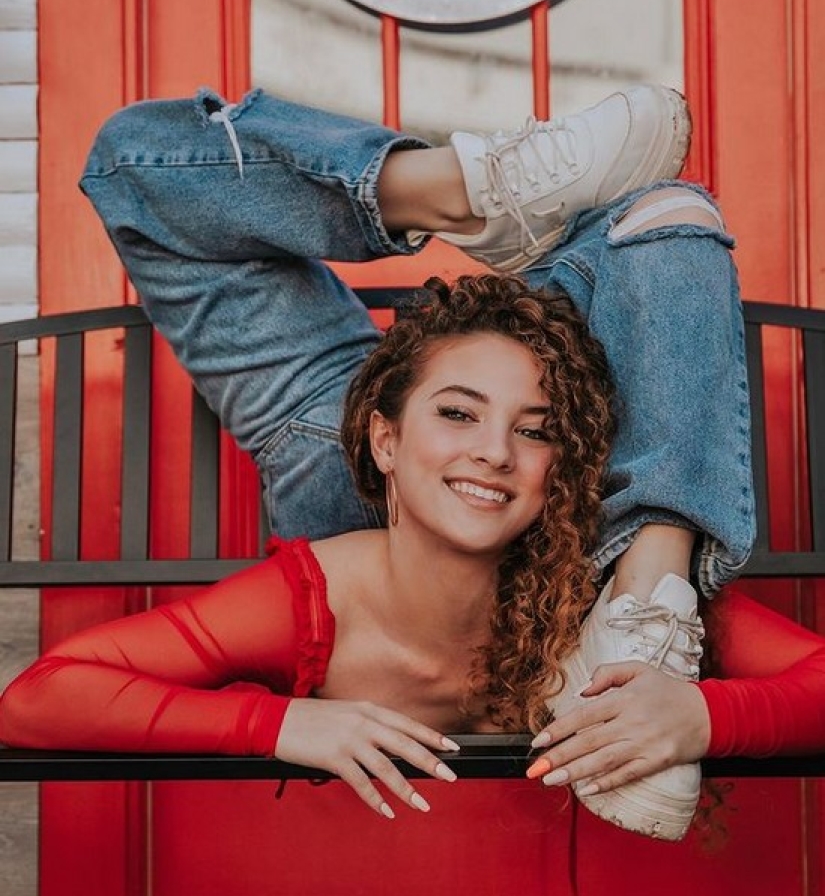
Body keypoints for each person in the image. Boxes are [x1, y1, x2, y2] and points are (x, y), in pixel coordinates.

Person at [0, 85, 765, 844]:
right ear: (383, 437)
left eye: (536, 431)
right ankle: (462, 196)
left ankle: (649, 593)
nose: (496, 448)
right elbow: (38, 697)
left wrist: (698, 711)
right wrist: (278, 722)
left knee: (672, 220)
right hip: (360, 476)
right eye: (461, 411)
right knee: (134, 154)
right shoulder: (315, 591)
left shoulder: (576, 566)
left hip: (494, 500)